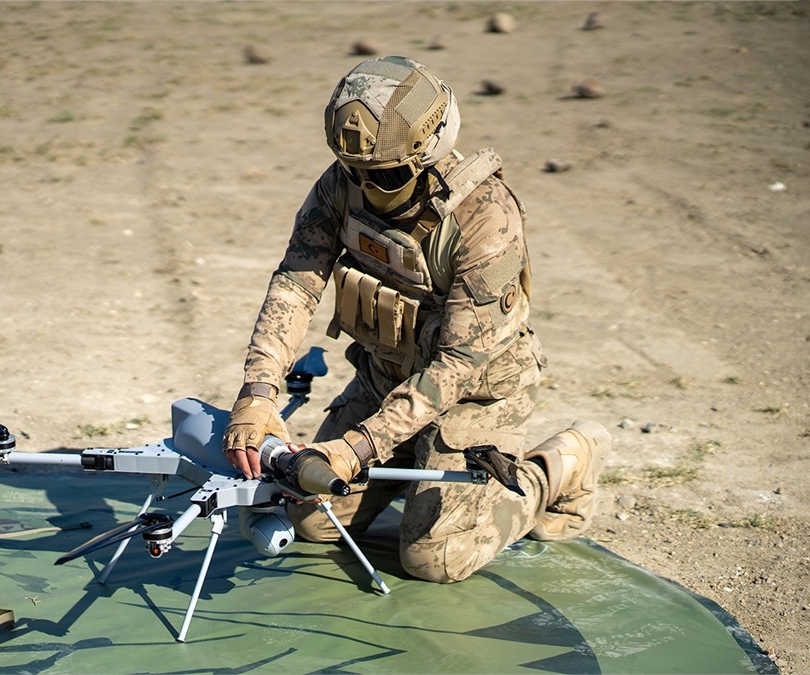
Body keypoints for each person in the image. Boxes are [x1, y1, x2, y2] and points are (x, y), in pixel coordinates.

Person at [222, 56, 610, 583]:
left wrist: (357, 448)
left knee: (435, 560)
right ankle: (414, 466)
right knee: (309, 516)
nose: (365, 187)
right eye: (354, 171)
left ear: (429, 152)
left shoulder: (484, 217)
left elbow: (457, 364)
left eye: (384, 176)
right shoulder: (342, 185)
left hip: (474, 395)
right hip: (385, 378)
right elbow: (296, 283)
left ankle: (558, 467)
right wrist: (258, 393)